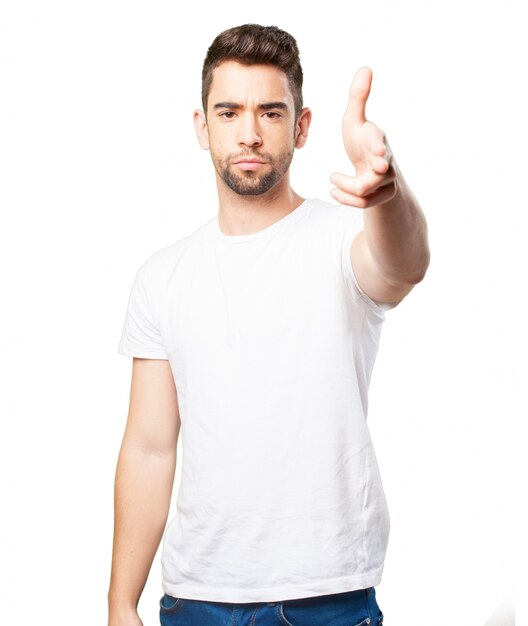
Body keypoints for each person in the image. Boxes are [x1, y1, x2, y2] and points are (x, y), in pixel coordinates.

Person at [108, 23, 430, 626]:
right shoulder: (163, 277)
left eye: (271, 112)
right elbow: (149, 448)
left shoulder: (345, 238)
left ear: (300, 127)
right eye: (229, 112)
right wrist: (120, 602)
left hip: (327, 598)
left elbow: (404, 265)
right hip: (195, 599)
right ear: (202, 127)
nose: (250, 133)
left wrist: (387, 196)